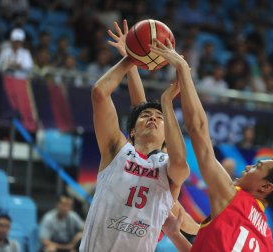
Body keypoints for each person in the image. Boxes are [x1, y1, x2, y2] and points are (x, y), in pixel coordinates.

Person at [150, 38, 273, 251]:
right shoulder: (266, 240)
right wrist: (175, 235)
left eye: (258, 167)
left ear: (265, 187)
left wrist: (184, 70)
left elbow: (199, 131)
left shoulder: (234, 200)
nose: (248, 167)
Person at [79, 20, 194, 252]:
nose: (153, 118)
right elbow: (100, 93)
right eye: (146, 117)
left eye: (160, 118)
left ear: (167, 135)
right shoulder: (116, 150)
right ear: (131, 130)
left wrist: (167, 103)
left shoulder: (169, 168)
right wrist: (131, 57)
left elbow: (180, 160)